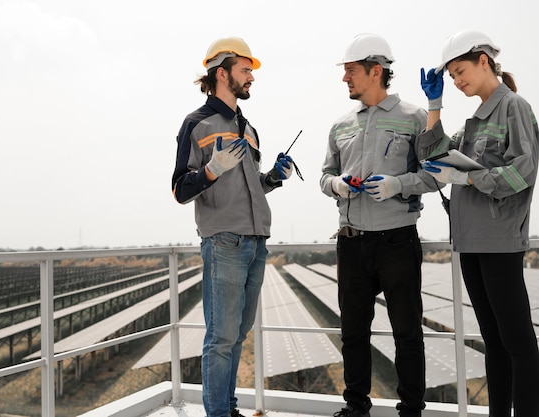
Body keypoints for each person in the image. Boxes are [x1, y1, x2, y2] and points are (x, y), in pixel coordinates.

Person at [171, 36, 296, 417]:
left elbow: (250, 188)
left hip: (256, 241)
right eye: (245, 70)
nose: (251, 78)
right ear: (221, 73)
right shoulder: (196, 124)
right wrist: (210, 170)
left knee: (237, 335)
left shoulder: (249, 128)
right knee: (220, 338)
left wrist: (273, 177)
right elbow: (179, 189)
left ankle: (228, 408)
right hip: (224, 242)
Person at [419, 29, 539, 417]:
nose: (456, 80)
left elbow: (524, 170)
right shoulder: (473, 121)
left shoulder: (513, 107)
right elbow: (432, 154)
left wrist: (471, 177)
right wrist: (434, 104)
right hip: (469, 241)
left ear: (483, 61)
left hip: (499, 240)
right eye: (451, 76)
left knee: (518, 342)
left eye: (459, 71)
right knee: (494, 341)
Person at [320, 33, 439, 417]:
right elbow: (325, 176)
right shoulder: (340, 125)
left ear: (376, 71)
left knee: (407, 332)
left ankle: (411, 410)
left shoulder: (415, 118)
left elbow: (436, 174)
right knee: (353, 332)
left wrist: (397, 185)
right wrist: (337, 184)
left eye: (351, 71)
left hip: (397, 243)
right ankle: (356, 408)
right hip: (351, 243)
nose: (345, 79)